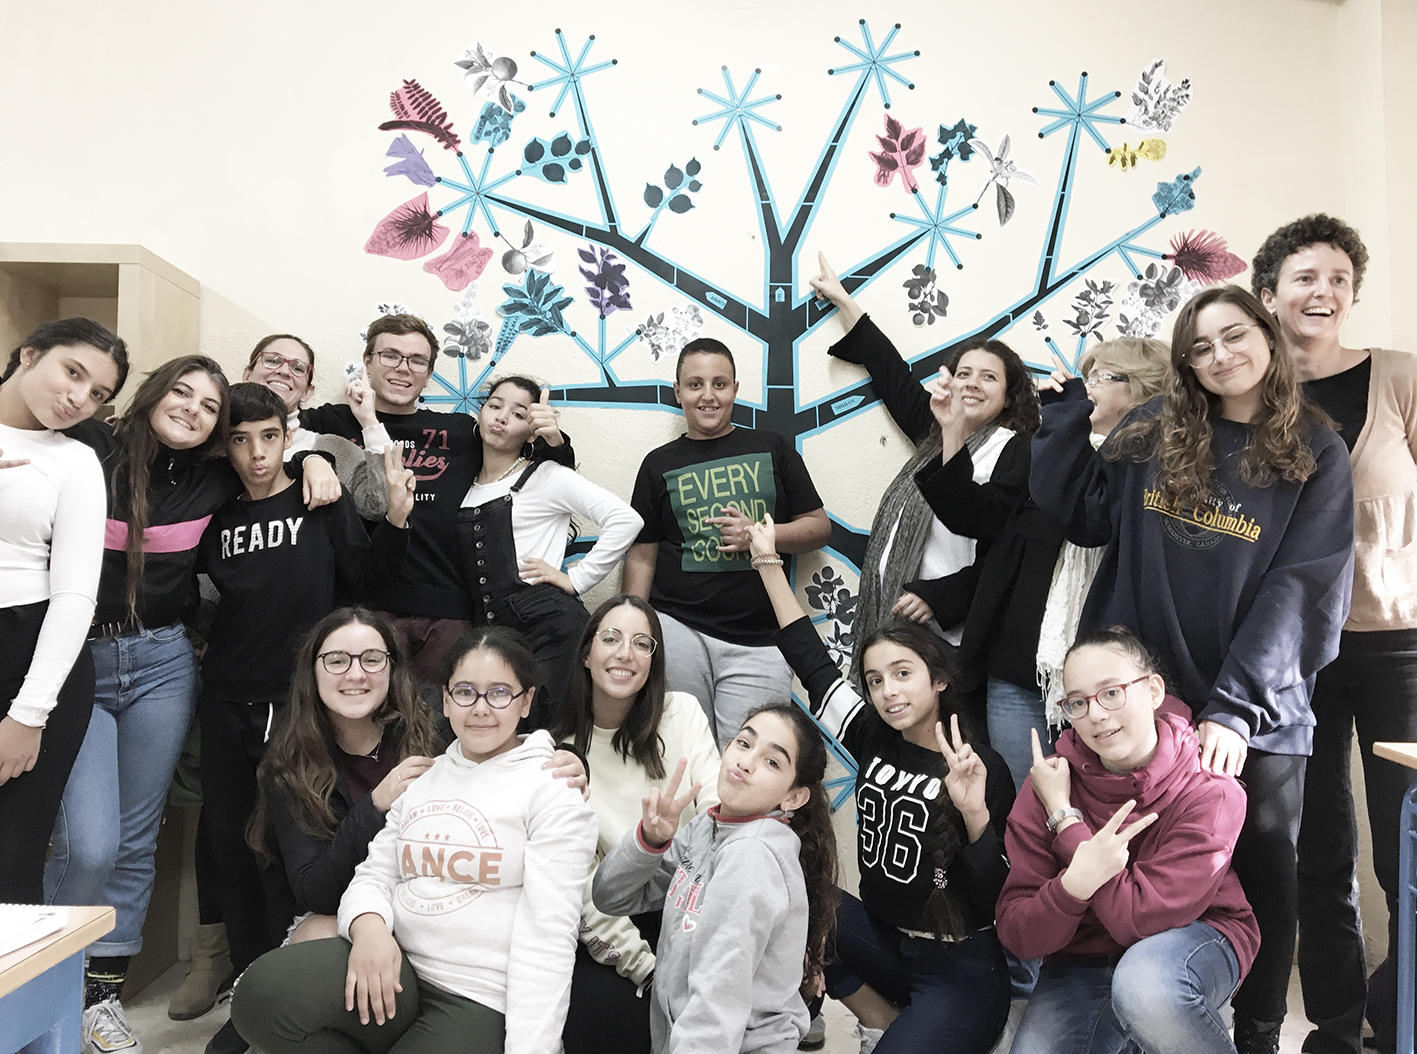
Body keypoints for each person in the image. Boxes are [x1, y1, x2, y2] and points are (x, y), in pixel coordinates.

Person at [1030, 285, 1356, 1054]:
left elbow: (1302, 590)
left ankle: (1257, 1034)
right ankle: (1144, 1019)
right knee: (1137, 868)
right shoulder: (1153, 426)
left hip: (1254, 711)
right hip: (1144, 705)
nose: (1220, 356)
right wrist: (1064, 418)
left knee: (1263, 876)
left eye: (1234, 335)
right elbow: (1081, 516)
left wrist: (1234, 707)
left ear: (1267, 335)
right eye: (1200, 347)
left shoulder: (1317, 449)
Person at [43, 355, 342, 1054]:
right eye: (181, 393)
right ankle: (43, 992)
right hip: (80, 658)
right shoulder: (93, 447)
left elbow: (269, 461)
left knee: (137, 839)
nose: (192, 410)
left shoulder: (213, 478)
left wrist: (315, 458)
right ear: (152, 393)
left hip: (163, 662)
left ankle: (100, 1001)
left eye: (209, 406)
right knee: (88, 842)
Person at [231, 625, 598, 1054]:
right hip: (398, 966)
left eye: (499, 693)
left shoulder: (552, 788)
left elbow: (548, 938)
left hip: (476, 994)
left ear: (526, 701)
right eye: (465, 692)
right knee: (261, 996)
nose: (480, 708)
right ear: (446, 699)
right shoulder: (426, 774)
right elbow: (373, 873)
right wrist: (370, 929)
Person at [193, 381, 416, 1042]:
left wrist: (395, 519)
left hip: (292, 702)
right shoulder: (217, 515)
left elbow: (370, 584)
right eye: (240, 440)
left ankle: (285, 972)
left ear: (288, 436)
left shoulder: (319, 498)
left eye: (269, 437)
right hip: (225, 695)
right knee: (227, 842)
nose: (257, 453)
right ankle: (245, 982)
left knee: (278, 847)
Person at [749, 514, 1014, 1054]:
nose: (888, 691)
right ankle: (881, 1019)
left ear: (939, 680)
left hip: (960, 970)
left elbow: (996, 900)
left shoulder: (978, 765)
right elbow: (810, 659)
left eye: (902, 673)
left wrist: (974, 815)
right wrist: (767, 562)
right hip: (886, 944)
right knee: (793, 892)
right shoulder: (873, 736)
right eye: (874, 680)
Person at [1252, 215, 1416, 1054]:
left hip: (1398, 647)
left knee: (1406, 851)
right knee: (1316, 853)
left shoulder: (1400, 377)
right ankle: (1336, 1028)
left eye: (1338, 279)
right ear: (1268, 294)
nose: (1323, 292)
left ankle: (1402, 1019)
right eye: (1304, 278)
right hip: (1295, 652)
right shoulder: (1249, 395)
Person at [921, 337, 1170, 790]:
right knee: (1023, 802)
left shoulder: (1156, 469)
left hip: (1111, 684)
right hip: (1021, 671)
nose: (1086, 387)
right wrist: (953, 432)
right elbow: (976, 517)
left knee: (1103, 806)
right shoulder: (1046, 450)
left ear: (1142, 390)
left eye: (1100, 377)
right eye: (1087, 376)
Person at [997, 627, 1260, 1054]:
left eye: (1111, 693)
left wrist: (1067, 822)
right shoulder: (1051, 781)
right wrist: (1072, 886)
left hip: (1194, 936)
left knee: (1146, 988)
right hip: (1084, 957)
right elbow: (1018, 932)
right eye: (1078, 702)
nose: (1096, 715)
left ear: (1153, 690)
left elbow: (1138, 918)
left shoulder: (1210, 789)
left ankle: (1175, 1016)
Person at [301, 313, 575, 683]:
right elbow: (271, 437)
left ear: (429, 373)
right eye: (390, 355)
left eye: (417, 361)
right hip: (359, 609)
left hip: (447, 612)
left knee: (442, 715)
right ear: (367, 361)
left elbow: (544, 476)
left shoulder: (460, 431)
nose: (403, 368)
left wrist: (553, 439)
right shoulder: (331, 422)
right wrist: (310, 459)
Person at [808, 254, 1039, 685]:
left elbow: (1004, 548)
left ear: (1009, 397)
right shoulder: (935, 433)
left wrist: (943, 597)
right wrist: (843, 300)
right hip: (894, 616)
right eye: (964, 373)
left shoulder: (1014, 451)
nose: (972, 383)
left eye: (988, 377)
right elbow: (890, 371)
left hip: (947, 633)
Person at [591, 701, 838, 1054]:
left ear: (794, 797)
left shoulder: (751, 856)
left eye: (772, 762)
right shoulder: (710, 826)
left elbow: (717, 998)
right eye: (744, 743)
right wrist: (650, 840)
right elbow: (610, 897)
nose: (746, 762)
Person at [623, 337, 830, 745]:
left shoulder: (772, 447)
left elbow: (818, 527)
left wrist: (761, 535)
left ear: (735, 389)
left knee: (751, 761)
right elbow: (643, 553)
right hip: (678, 628)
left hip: (762, 639)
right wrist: (631, 627)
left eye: (719, 384)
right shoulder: (657, 463)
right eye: (695, 384)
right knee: (681, 753)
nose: (708, 395)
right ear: (678, 392)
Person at [550, 595, 721, 1054]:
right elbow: (587, 894)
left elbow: (721, 815)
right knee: (599, 1024)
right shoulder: (561, 754)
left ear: (653, 661)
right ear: (586, 655)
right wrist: (650, 970)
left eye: (642, 644)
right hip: (622, 921)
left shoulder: (682, 712)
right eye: (611, 638)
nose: (625, 653)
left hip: (697, 905)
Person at [0, 318, 127, 903]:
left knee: (12, 859)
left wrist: (29, 715)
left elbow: (75, 594)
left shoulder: (75, 461)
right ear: (29, 354)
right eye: (72, 372)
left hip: (30, 655)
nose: (79, 398)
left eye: (97, 393)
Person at [247, 607, 443, 942]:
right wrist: (376, 804)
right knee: (315, 935)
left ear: (392, 667)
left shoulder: (433, 724)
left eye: (372, 659)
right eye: (337, 661)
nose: (356, 674)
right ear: (313, 672)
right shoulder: (290, 763)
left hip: (434, 897)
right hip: (345, 911)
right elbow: (315, 892)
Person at [457, 376, 642, 724]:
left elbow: (626, 519)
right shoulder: (466, 487)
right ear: (480, 414)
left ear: (532, 433)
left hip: (552, 630)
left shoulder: (546, 476)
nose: (501, 417)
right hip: (495, 637)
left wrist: (576, 580)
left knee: (547, 734)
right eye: (494, 406)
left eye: (518, 414)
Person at [243, 333, 394, 519]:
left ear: (307, 392)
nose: (284, 371)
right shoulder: (219, 439)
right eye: (272, 360)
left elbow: (381, 506)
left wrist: (369, 420)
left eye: (298, 368)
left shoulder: (331, 448)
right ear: (247, 375)